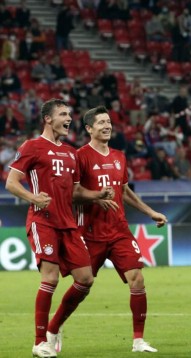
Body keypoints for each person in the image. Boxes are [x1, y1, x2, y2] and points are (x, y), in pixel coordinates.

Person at [5, 99, 114, 358]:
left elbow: (76, 192)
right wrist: (33, 198)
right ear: (47, 119)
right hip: (43, 221)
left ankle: (54, 328)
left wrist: (97, 194)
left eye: (69, 114)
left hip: (69, 225)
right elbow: (11, 182)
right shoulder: (32, 147)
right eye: (63, 114)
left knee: (85, 280)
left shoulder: (70, 153)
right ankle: (40, 341)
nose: (68, 118)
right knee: (50, 278)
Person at [76, 106, 168, 353]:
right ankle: (54, 329)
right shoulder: (80, 156)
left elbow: (125, 191)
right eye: (101, 122)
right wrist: (96, 197)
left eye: (109, 122)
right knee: (82, 286)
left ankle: (138, 340)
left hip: (119, 230)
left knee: (137, 279)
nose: (107, 126)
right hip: (91, 232)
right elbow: (72, 194)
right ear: (89, 128)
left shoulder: (119, 156)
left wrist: (150, 213)